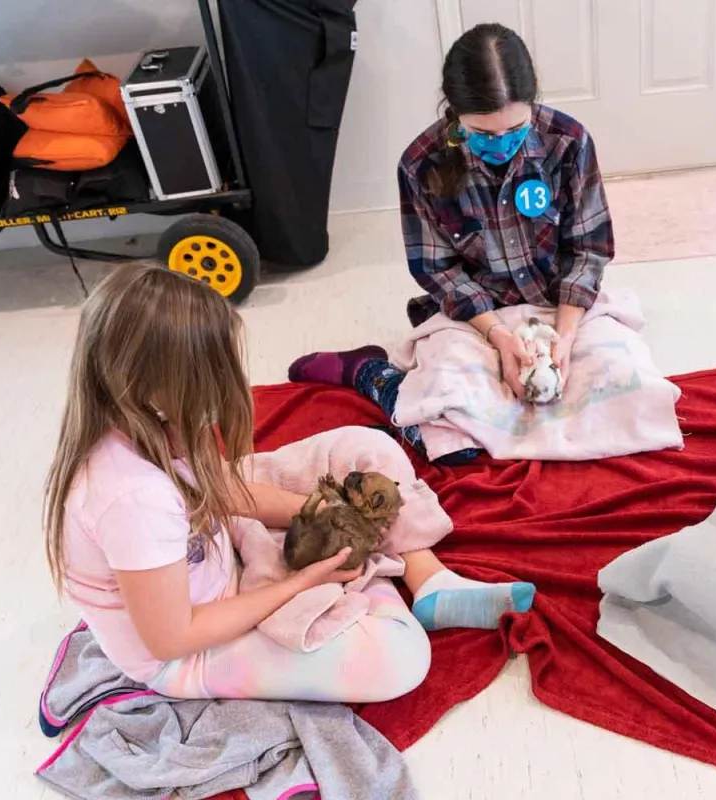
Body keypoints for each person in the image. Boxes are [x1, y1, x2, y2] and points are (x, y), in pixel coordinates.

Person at [43, 263, 534, 701]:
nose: (225, 385)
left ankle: (426, 580)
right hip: (194, 646)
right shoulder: (132, 498)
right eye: (213, 373)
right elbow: (173, 639)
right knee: (400, 659)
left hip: (218, 541)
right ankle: (370, 574)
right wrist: (302, 581)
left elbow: (228, 492)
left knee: (370, 449)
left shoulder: (148, 418)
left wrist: (328, 514)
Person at [289, 22, 614, 464]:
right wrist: (499, 338)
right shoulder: (420, 163)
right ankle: (372, 373)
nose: (502, 144)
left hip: (562, 306)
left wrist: (566, 337)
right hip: (474, 316)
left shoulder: (568, 142)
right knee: (450, 443)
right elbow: (437, 269)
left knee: (617, 392)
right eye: (483, 133)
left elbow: (589, 248)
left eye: (516, 129)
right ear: (455, 112)